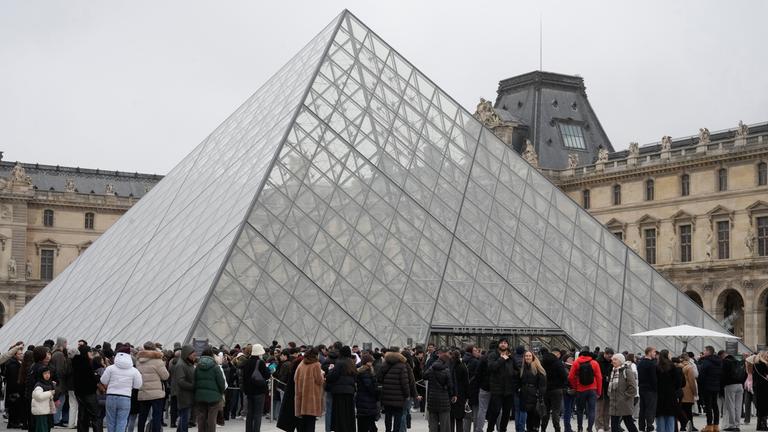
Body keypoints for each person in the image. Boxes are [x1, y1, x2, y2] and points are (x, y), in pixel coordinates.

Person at [100, 346, 143, 432]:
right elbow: (138, 385)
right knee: (122, 421)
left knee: (110, 421)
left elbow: (103, 380)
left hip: (111, 396)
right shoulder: (134, 371)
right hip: (125, 397)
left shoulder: (110, 368)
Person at [378, 347, 417, 432]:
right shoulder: (402, 365)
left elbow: (379, 378)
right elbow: (405, 383)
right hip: (399, 396)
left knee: (388, 415)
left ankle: (388, 430)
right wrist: (407, 395)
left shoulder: (385, 364)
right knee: (398, 415)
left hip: (387, 394)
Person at [486, 338, 520, 432]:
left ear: (507, 345)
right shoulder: (493, 355)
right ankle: (490, 429)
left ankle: (503, 429)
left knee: (506, 413)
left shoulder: (511, 357)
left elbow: (517, 370)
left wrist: (512, 373)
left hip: (509, 389)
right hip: (497, 389)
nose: (503, 344)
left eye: (505, 343)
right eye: (501, 343)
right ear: (498, 345)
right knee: (495, 411)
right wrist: (502, 359)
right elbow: (491, 367)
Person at [136, 342, 169, 432]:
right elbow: (165, 376)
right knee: (156, 416)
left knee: (142, 416)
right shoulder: (158, 361)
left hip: (143, 392)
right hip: (156, 394)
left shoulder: (138, 361)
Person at [568, 346, 602, 432]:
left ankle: (580, 428)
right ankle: (590, 428)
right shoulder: (594, 363)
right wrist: (599, 391)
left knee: (579, 410)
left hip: (580, 390)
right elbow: (599, 378)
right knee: (591, 410)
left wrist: (575, 387)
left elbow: (570, 377)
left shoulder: (576, 362)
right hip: (592, 389)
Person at [239, 344, 270, 432]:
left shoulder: (247, 362)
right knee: (258, 414)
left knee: (250, 413)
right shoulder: (260, 362)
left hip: (249, 391)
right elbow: (267, 375)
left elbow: (244, 377)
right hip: (259, 391)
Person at [325, 346, 356, 432]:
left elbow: (332, 376)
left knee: (340, 414)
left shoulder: (340, 363)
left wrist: (330, 371)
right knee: (349, 413)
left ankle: (341, 429)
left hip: (339, 392)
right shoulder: (351, 363)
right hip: (350, 391)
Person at [194, 348, 226, 432]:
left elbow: (194, 381)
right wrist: (220, 392)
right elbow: (221, 383)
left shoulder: (197, 366)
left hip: (200, 396)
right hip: (214, 397)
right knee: (212, 418)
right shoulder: (215, 367)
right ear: (212, 356)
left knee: (201, 417)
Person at [72, 345, 102, 432]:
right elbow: (91, 379)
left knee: (83, 416)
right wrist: (96, 377)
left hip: (79, 393)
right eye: (90, 351)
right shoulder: (85, 363)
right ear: (86, 352)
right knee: (96, 416)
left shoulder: (76, 362)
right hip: (89, 393)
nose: (91, 353)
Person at [295, 347, 325, 432]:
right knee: (311, 423)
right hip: (312, 399)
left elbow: (295, 378)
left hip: (301, 397)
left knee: (303, 423)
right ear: (315, 355)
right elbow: (319, 381)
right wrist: (322, 374)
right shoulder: (316, 364)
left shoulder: (301, 363)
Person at [424, 351, 455, 432]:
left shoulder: (432, 368)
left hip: (432, 399)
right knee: (445, 424)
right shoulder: (446, 370)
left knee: (433, 423)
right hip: (444, 400)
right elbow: (450, 386)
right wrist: (451, 394)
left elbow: (424, 376)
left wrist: (431, 367)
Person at [607, 353, 638, 432]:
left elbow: (633, 388)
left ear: (621, 361)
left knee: (629, 422)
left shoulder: (627, 371)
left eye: (615, 359)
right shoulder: (613, 371)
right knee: (614, 425)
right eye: (612, 359)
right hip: (614, 403)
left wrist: (624, 397)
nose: (612, 361)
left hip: (624, 403)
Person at [540, 348, 567, 432]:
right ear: (558, 354)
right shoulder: (558, 363)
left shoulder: (542, 361)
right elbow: (564, 376)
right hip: (556, 390)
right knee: (556, 412)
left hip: (545, 389)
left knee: (546, 411)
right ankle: (557, 429)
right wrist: (563, 386)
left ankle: (543, 429)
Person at [519, 351, 546, 432]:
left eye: (529, 356)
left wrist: (540, 395)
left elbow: (542, 383)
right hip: (525, 395)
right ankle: (529, 429)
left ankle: (534, 429)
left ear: (533, 357)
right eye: (526, 356)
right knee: (529, 415)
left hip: (534, 395)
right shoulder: (522, 367)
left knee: (535, 415)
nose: (528, 357)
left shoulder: (537, 367)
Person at [655, 351, 682, 432]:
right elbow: (678, 382)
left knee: (660, 417)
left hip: (659, 395)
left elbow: (654, 381)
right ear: (667, 355)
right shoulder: (672, 366)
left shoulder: (656, 366)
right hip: (670, 395)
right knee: (670, 416)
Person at [698, 346, 723, 432]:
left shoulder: (706, 362)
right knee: (715, 405)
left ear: (708, 352)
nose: (703, 352)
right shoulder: (718, 361)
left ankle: (709, 426)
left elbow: (701, 375)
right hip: (716, 386)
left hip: (707, 387)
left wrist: (700, 386)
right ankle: (716, 425)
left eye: (704, 350)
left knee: (708, 406)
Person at [172, 345, 196, 432]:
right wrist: (193, 386)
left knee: (184, 416)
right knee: (184, 417)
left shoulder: (187, 363)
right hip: (183, 395)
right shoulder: (181, 365)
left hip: (188, 395)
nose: (195, 356)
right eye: (193, 355)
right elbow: (181, 381)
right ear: (187, 354)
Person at [719, 351, 745, 432]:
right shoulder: (737, 361)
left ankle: (732, 425)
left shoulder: (725, 362)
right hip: (740, 385)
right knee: (738, 406)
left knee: (730, 406)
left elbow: (722, 375)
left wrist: (721, 387)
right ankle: (737, 425)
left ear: (722, 356)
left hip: (730, 385)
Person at [355, 353, 379, 432]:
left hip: (362, 399)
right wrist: (376, 392)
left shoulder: (362, 371)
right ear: (366, 362)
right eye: (370, 361)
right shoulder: (366, 372)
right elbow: (369, 386)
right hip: (367, 399)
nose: (371, 363)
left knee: (363, 422)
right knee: (369, 422)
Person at [5, 345, 26, 428]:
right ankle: (13, 423)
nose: (22, 355)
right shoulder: (13, 365)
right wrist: (17, 389)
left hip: (14, 389)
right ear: (15, 355)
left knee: (15, 406)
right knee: (14, 407)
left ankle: (14, 422)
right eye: (20, 354)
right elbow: (14, 379)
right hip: (14, 390)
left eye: (22, 354)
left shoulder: (15, 363)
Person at [637, 347, 658, 432]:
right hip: (650, 389)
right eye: (654, 352)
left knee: (642, 408)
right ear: (649, 352)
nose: (655, 354)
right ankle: (649, 426)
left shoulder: (640, 363)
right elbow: (654, 378)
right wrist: (656, 389)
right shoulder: (652, 364)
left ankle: (641, 426)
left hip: (642, 388)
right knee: (650, 408)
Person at [449, 350, 470, 432]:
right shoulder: (463, 367)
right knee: (459, 418)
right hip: (461, 395)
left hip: (451, 394)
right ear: (460, 356)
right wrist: (468, 396)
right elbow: (466, 383)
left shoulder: (449, 367)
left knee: (451, 418)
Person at [31, 366, 56, 432]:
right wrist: (50, 393)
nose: (47, 375)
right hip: (40, 411)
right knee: (42, 428)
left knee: (46, 427)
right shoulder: (39, 385)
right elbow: (39, 396)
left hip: (46, 411)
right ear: (41, 375)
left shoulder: (49, 384)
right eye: (45, 373)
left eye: (48, 373)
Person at [748, 351, 768, 431]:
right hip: (764, 387)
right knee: (764, 405)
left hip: (757, 387)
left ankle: (759, 425)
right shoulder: (764, 364)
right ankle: (763, 425)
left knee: (760, 406)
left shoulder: (754, 364)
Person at [596, 349, 615, 432]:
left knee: (608, 408)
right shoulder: (598, 362)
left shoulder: (612, 362)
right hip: (601, 387)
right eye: (608, 355)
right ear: (605, 354)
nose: (609, 358)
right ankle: (599, 426)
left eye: (611, 356)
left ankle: (607, 425)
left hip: (609, 387)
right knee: (600, 408)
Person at [679, 353, 698, 432]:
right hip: (688, 390)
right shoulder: (689, 368)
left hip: (680, 390)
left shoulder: (679, 366)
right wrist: (695, 392)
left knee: (682, 409)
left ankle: (683, 426)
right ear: (688, 359)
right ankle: (691, 426)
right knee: (688, 410)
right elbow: (692, 381)